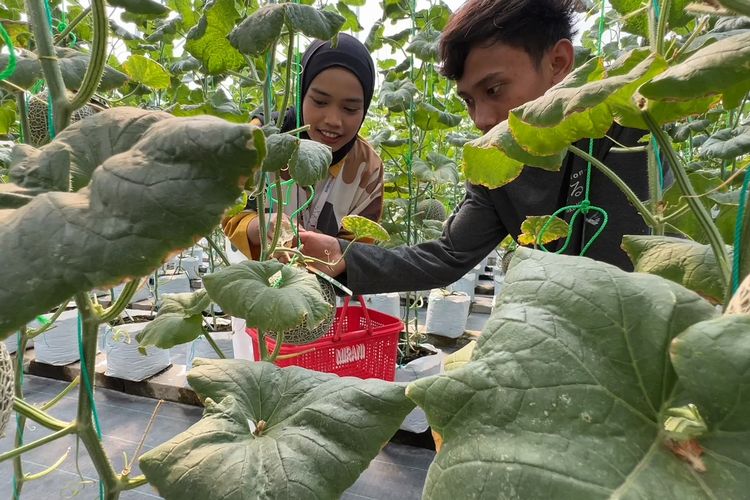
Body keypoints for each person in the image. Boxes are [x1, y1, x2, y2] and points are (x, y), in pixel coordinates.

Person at [297, 0, 657, 295]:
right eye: (469, 100)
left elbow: (630, 277)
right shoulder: (496, 161)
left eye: (494, 90)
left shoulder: (629, 131)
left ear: (558, 63)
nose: (481, 119)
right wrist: (341, 254)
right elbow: (449, 255)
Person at [223, 33, 383, 260]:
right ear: (301, 93)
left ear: (364, 108)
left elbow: (360, 247)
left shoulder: (367, 167)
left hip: (319, 287)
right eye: (320, 101)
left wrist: (330, 250)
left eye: (349, 109)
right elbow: (229, 214)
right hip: (255, 282)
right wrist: (258, 227)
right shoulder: (259, 139)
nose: (333, 120)